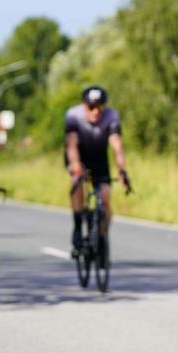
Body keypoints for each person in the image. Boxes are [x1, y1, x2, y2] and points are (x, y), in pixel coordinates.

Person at [64, 85, 131, 255]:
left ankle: (102, 237)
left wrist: (122, 171)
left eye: (99, 106)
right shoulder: (74, 115)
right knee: (77, 182)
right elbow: (71, 145)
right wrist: (77, 167)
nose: (95, 111)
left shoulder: (111, 116)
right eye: (91, 107)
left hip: (100, 159)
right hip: (78, 156)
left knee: (106, 198)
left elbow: (117, 147)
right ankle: (78, 226)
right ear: (84, 105)